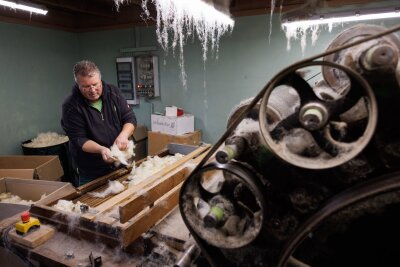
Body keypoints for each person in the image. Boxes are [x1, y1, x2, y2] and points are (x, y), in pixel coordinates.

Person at [61, 60, 137, 186]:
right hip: (91, 171)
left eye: (95, 84)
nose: (92, 90)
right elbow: (79, 139)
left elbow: (129, 118)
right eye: (86, 87)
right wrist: (101, 149)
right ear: (78, 84)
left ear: (100, 79)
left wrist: (123, 135)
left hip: (120, 164)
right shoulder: (71, 106)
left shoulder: (113, 93)